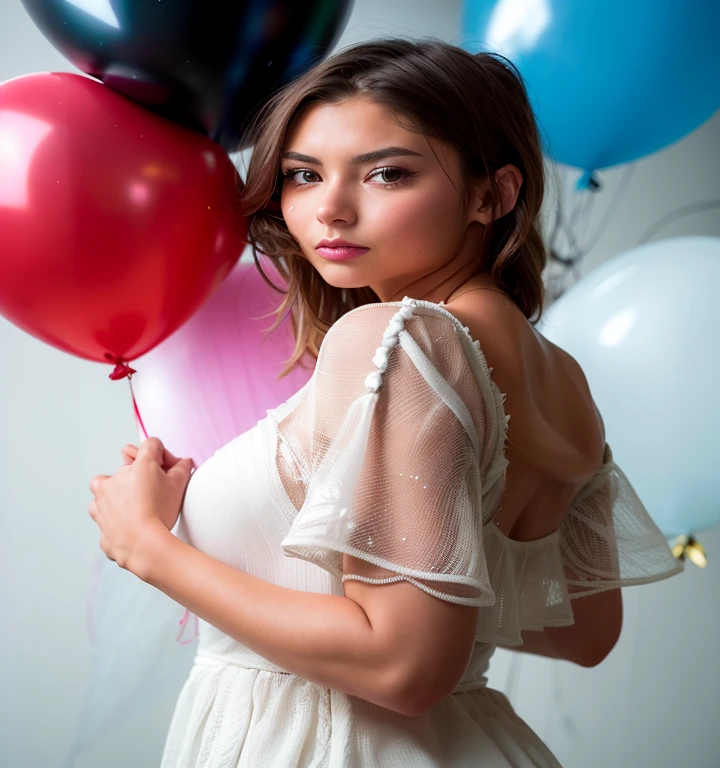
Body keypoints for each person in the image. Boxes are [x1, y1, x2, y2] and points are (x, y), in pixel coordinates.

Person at [96, 38, 683, 766]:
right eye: (303, 174)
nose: (331, 209)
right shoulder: (563, 379)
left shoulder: (395, 340)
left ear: (491, 195)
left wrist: (146, 545)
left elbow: (403, 668)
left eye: (386, 173)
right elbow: (584, 633)